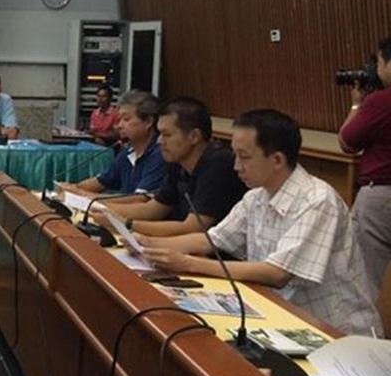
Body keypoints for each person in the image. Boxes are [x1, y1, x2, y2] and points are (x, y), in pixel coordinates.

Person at [140, 109, 381, 336]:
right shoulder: (256, 196)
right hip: (282, 319)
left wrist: (188, 263)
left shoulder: (317, 200)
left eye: (244, 157)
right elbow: (212, 240)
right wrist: (145, 244)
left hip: (334, 333)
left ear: (277, 160)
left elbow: (276, 273)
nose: (236, 166)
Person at [93, 97, 246, 237]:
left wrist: (126, 224)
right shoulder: (177, 162)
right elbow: (153, 209)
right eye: (159, 134)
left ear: (194, 136)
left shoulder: (218, 164)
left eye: (166, 135)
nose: (159, 141)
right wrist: (97, 207)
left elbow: (193, 228)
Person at [338, 35, 391, 292]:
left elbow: (348, 142)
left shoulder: (381, 101)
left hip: (381, 197)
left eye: (379, 62)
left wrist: (357, 104)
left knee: (365, 278)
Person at [59, 90, 165, 197]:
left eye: (126, 119)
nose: (119, 125)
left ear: (148, 121)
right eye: (119, 120)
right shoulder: (128, 152)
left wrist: (80, 193)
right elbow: (101, 181)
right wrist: (72, 188)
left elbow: (139, 199)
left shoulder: (160, 153)